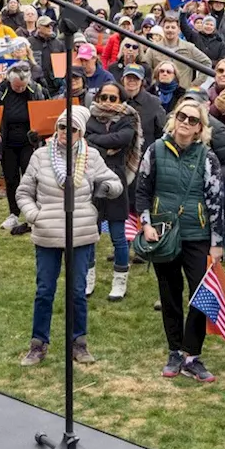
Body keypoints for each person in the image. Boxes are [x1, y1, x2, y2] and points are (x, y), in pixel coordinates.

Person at [17, 104, 120, 366]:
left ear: (81, 133)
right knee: (44, 290)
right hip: (48, 232)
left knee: (77, 291)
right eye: (62, 127)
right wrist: (34, 215)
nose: (65, 132)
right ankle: (38, 344)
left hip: (81, 232)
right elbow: (23, 192)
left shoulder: (92, 156)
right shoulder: (40, 156)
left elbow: (116, 183)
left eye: (72, 128)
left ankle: (79, 344)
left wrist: (106, 187)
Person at [136, 97, 225, 382]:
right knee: (169, 293)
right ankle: (174, 350)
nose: (186, 123)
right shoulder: (155, 150)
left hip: (197, 235)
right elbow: (142, 190)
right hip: (163, 234)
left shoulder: (208, 157)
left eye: (193, 120)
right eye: (182, 117)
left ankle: (192, 354)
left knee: (201, 294)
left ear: (201, 128)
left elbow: (215, 201)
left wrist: (217, 242)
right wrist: (146, 224)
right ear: (174, 119)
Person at [87, 82, 142, 301]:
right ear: (98, 98)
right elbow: (86, 141)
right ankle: (88, 277)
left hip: (118, 181)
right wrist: (103, 146)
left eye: (113, 98)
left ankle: (120, 280)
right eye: (104, 98)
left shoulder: (129, 119)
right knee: (91, 233)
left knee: (119, 235)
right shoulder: (90, 119)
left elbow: (123, 139)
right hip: (92, 181)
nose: (108, 102)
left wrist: (96, 142)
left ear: (120, 100)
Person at [0, 61, 47, 235]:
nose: (20, 89)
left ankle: (32, 213)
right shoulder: (1, 90)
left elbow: (43, 113)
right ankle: (13, 212)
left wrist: (39, 133)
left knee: (31, 178)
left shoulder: (35, 90)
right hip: (8, 142)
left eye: (23, 86)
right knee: (11, 179)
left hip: (29, 142)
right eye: (17, 86)